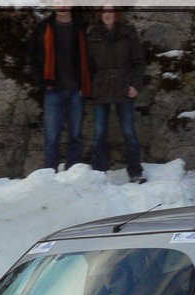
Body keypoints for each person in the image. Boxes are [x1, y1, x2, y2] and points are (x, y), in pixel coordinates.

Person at [87, 4, 147, 184]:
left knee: (129, 133)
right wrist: (91, 86)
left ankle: (135, 172)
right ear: (100, 14)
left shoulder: (128, 33)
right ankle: (98, 174)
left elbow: (139, 62)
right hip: (101, 89)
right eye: (104, 11)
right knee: (99, 133)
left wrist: (135, 86)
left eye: (111, 11)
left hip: (123, 89)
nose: (107, 14)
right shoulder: (92, 34)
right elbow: (87, 66)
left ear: (116, 13)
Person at [29, 2, 92, 172]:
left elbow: (92, 58)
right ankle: (50, 177)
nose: (62, 6)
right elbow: (33, 57)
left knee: (76, 137)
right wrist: (43, 83)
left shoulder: (82, 28)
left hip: (76, 91)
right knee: (51, 138)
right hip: (53, 91)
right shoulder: (43, 27)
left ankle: (73, 175)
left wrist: (85, 83)